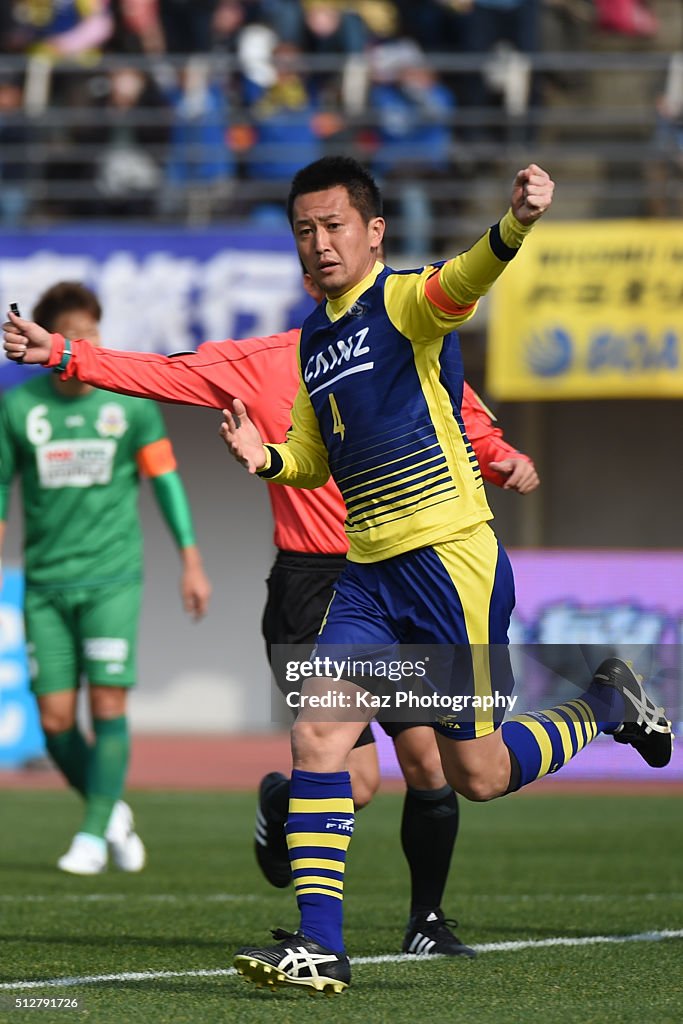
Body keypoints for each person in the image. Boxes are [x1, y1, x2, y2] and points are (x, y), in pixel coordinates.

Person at [214, 155, 671, 993]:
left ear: (372, 231)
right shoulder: (314, 341)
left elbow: (463, 280)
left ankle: (610, 699)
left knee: (478, 774)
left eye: (333, 226)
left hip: (445, 563)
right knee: (318, 730)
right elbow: (315, 459)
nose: (318, 243)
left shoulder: (401, 302)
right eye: (304, 230)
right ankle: (322, 946)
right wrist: (266, 458)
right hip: (365, 572)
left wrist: (518, 224)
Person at [3, 274, 538, 957]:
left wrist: (501, 457)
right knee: (357, 780)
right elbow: (164, 374)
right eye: (310, 237)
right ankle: (292, 837)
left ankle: (425, 921)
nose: (328, 259)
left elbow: (458, 414)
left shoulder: (403, 337)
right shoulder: (265, 359)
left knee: (430, 763)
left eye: (334, 232)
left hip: (400, 570)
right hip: (312, 585)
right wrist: (65, 355)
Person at [0, 282, 211, 876]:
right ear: (47, 336)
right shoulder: (19, 409)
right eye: (74, 331)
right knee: (55, 723)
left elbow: (165, 481)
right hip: (45, 585)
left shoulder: (129, 403)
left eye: (93, 331)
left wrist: (191, 559)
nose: (86, 342)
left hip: (114, 579)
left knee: (110, 701)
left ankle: (92, 834)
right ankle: (110, 808)